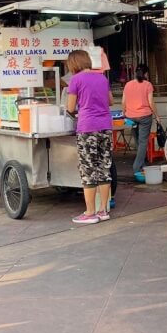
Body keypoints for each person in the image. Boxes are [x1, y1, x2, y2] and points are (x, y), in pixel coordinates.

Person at [66, 50, 114, 224]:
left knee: (88, 169)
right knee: (104, 167)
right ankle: (103, 210)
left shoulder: (76, 80)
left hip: (87, 128)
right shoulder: (102, 78)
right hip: (106, 127)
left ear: (73, 64)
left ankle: (90, 212)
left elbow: (71, 108)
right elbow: (110, 101)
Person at [122, 64, 159, 180]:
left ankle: (142, 165)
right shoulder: (148, 85)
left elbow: (123, 102)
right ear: (146, 74)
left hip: (130, 117)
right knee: (143, 142)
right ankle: (136, 167)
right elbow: (151, 102)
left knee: (138, 141)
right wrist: (157, 115)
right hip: (144, 117)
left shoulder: (128, 85)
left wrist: (125, 114)